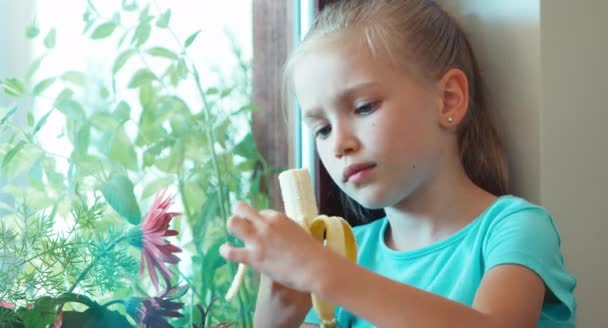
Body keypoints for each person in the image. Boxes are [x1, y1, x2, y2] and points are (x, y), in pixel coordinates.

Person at [219, 0, 577, 327]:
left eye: (364, 108)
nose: (340, 144)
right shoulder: (345, 255)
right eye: (322, 129)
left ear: (449, 100)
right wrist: (274, 317)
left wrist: (324, 273)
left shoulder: (514, 229)